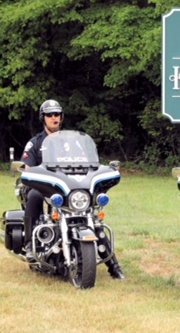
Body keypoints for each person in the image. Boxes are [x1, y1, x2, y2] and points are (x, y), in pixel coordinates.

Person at [20, 99, 126, 280]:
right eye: (49, 115)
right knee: (34, 196)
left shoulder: (73, 142)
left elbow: (89, 162)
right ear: (43, 118)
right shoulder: (35, 142)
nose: (54, 118)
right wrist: (29, 171)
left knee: (93, 218)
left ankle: (114, 267)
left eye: (57, 114)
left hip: (72, 187)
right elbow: (26, 167)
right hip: (46, 187)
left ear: (61, 117)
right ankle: (30, 244)